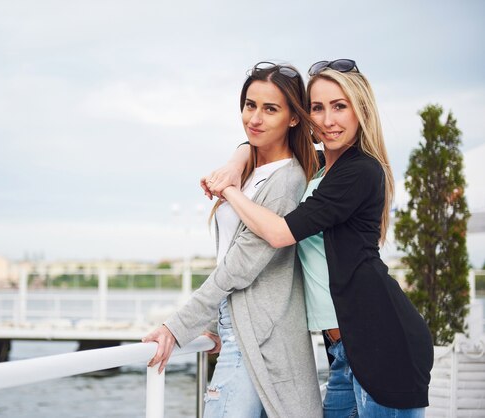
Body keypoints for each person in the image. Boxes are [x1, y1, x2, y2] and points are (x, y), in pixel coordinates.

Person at [202, 59, 434, 417]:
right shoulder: (322, 166)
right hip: (342, 351)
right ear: (305, 115)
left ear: (361, 110)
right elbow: (256, 139)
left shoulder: (359, 170)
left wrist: (230, 192)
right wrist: (236, 163)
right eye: (318, 108)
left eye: (340, 106)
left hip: (381, 341)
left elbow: (280, 233)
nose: (328, 120)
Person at [143, 62, 323, 418]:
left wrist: (177, 327)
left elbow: (240, 267)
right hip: (236, 329)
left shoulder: (287, 182)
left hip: (256, 338)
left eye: (270, 108)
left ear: (292, 118)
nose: (254, 117)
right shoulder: (247, 171)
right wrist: (211, 327)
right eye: (250, 105)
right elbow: (228, 256)